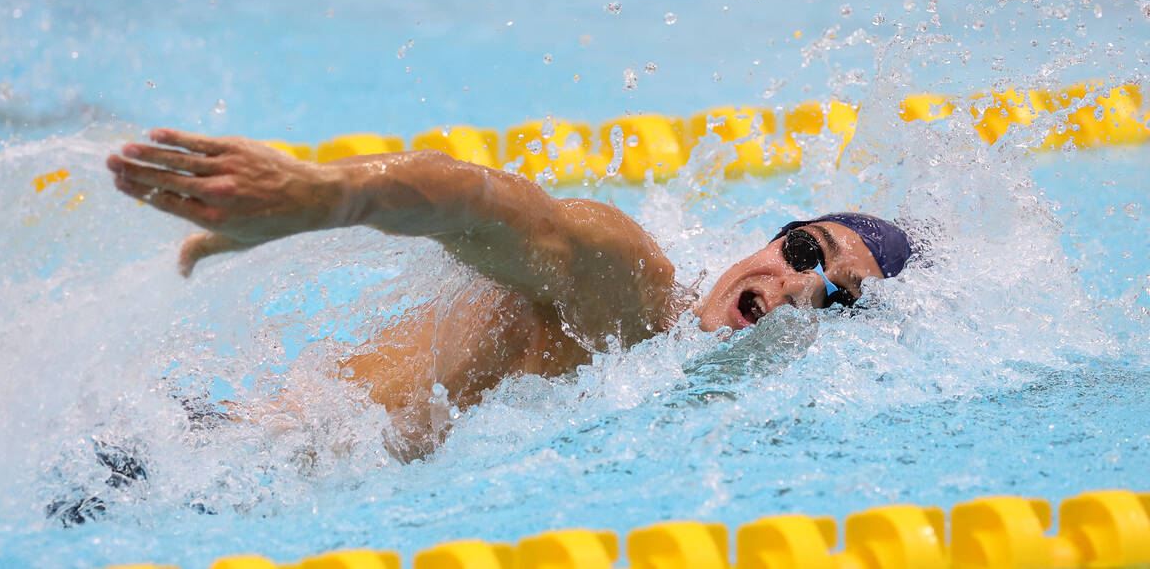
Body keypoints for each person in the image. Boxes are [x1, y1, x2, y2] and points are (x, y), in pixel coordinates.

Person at [106, 128, 912, 456]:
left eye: (832, 297)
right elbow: (476, 199)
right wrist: (321, 196)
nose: (795, 284)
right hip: (191, 459)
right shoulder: (633, 289)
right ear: (773, 236)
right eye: (805, 250)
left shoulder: (672, 385)